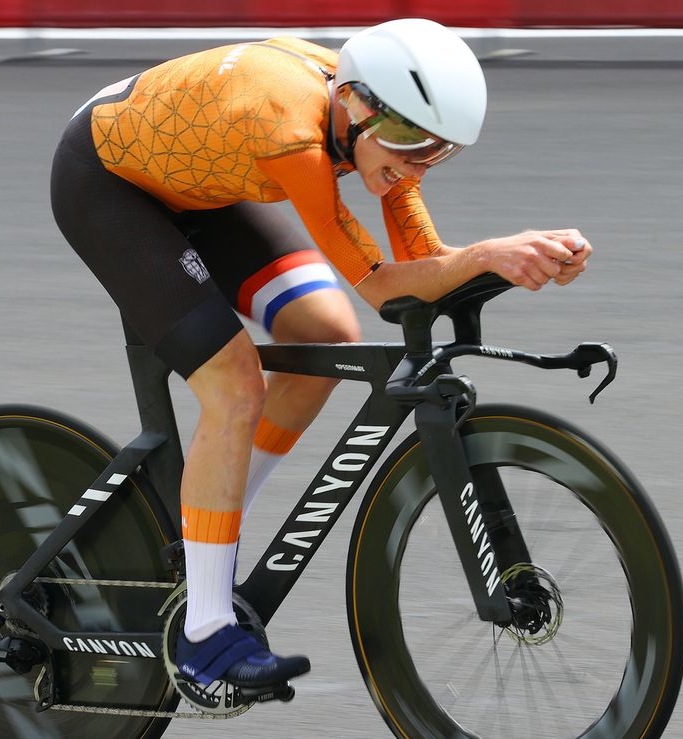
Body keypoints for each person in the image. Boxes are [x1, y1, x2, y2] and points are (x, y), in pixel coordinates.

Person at [50, 17, 591, 690]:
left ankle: (202, 528)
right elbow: (383, 286)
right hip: (107, 187)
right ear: (358, 106)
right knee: (236, 385)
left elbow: (424, 263)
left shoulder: (372, 121)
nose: (414, 164)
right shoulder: (294, 130)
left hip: (199, 183)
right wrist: (489, 255)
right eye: (406, 142)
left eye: (436, 152)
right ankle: (204, 635)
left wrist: (520, 259)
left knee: (330, 334)